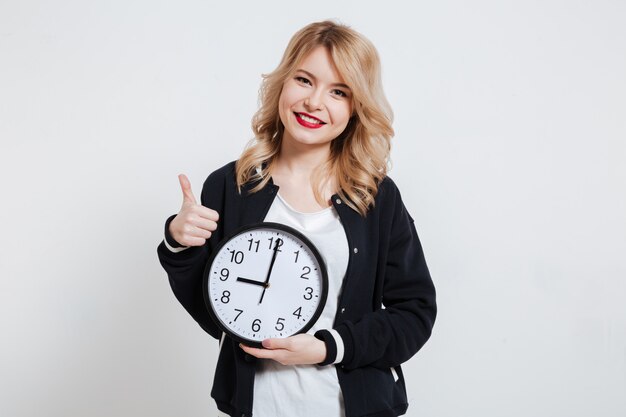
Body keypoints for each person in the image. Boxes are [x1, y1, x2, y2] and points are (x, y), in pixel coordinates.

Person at [157, 20, 437, 417]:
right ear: (283, 84)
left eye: (338, 91)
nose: (314, 102)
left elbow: (415, 312)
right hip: (257, 406)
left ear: (356, 108)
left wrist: (329, 346)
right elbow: (214, 308)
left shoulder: (376, 198)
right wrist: (179, 243)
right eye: (304, 80)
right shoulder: (231, 185)